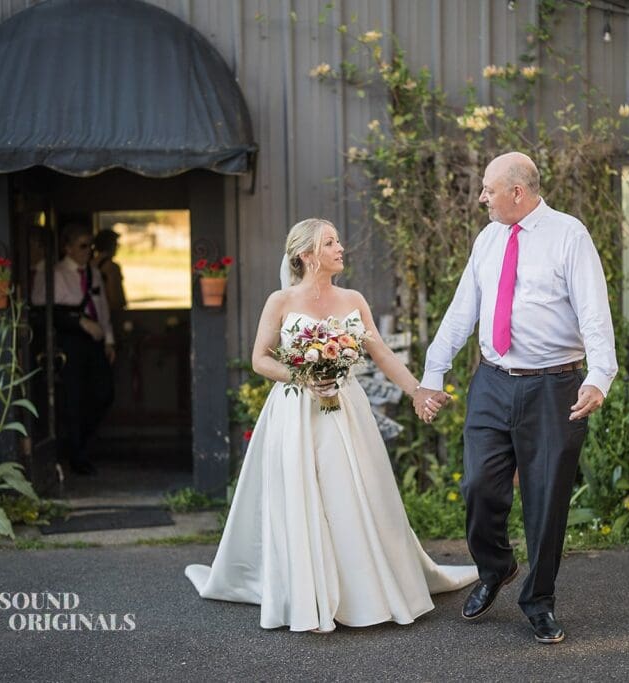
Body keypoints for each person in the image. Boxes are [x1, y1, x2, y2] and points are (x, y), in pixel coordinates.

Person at [185, 218, 477, 633]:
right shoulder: (280, 302)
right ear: (306, 255)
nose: (341, 248)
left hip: (346, 410)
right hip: (294, 412)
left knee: (351, 492)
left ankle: (361, 591)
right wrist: (304, 376)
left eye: (338, 240)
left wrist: (417, 391)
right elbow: (260, 359)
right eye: (330, 242)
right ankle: (308, 592)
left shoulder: (353, 299)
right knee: (303, 494)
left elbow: (381, 354)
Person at [414, 152, 618, 644]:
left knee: (546, 499)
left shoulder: (569, 235)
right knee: (479, 485)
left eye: (488, 188)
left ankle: (539, 600)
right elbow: (463, 310)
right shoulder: (487, 239)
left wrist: (600, 375)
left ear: (517, 193)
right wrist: (433, 373)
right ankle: (495, 566)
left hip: (555, 385)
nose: (481, 196)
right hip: (493, 379)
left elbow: (594, 311)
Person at [31, 224, 116, 476]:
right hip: (69, 341)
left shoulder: (93, 273)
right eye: (82, 245)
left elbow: (103, 308)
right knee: (73, 399)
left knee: (103, 393)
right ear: (67, 248)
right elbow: (40, 309)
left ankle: (81, 445)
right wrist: (77, 321)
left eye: (90, 246)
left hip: (95, 341)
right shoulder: (53, 273)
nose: (88, 251)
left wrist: (109, 339)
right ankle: (77, 455)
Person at [92, 228, 126, 312]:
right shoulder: (112, 268)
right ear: (111, 245)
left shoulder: (89, 265)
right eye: (116, 244)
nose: (117, 247)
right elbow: (115, 298)